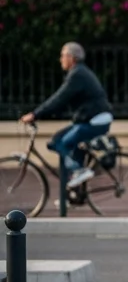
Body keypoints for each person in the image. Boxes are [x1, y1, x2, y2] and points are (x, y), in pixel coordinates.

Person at [19, 42, 113, 190]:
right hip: (90, 119)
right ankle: (74, 195)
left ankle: (79, 171)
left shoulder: (77, 75)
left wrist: (35, 114)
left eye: (63, 56)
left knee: (60, 143)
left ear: (71, 58)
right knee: (62, 143)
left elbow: (59, 98)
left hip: (95, 121)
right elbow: (63, 102)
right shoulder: (79, 73)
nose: (60, 59)